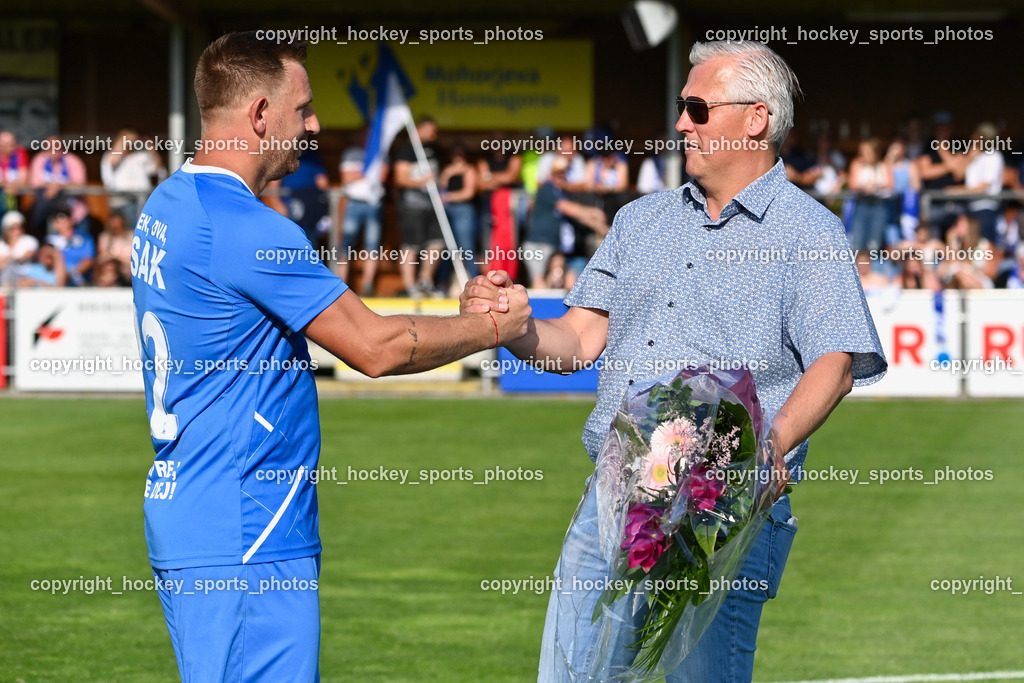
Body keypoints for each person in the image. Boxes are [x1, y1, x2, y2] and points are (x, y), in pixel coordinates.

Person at [463, 40, 885, 682]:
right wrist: (513, 330)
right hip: (612, 503)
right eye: (680, 107)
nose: (681, 122)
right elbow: (578, 340)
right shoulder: (638, 220)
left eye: (696, 107)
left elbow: (835, 362)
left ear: (756, 119)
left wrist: (769, 449)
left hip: (728, 514)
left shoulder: (810, 232)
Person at [131, 32, 530, 683]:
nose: (314, 125)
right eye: (303, 108)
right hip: (249, 531)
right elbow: (374, 346)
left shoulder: (168, 203)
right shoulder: (251, 228)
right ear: (260, 113)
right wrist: (487, 325)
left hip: (193, 513)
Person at [393, 117, 444, 297]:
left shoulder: (434, 149)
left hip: (433, 206)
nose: (433, 134)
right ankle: (410, 286)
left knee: (437, 243)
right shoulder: (407, 150)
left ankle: (425, 281)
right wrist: (423, 181)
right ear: (419, 129)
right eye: (431, 130)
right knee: (411, 246)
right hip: (411, 206)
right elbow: (400, 178)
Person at [338, 128, 386, 296]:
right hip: (354, 202)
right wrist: (367, 171)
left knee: (372, 244)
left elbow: (383, 176)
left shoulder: (381, 153)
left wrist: (358, 173)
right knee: (345, 244)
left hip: (374, 203)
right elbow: (346, 178)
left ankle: (367, 286)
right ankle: (340, 285)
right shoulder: (351, 153)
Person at [100, 128, 166, 224]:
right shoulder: (111, 155)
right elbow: (113, 161)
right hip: (121, 200)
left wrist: (152, 151)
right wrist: (124, 141)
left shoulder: (141, 156)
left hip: (141, 200)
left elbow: (157, 170)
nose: (132, 144)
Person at [47, 209, 95, 286]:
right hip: (56, 278)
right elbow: (46, 260)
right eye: (58, 221)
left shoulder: (85, 237)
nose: (62, 224)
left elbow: (88, 259)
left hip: (80, 278)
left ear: (71, 220)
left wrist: (72, 274)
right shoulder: (50, 240)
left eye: (64, 220)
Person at [0, 210, 39, 286]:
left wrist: (9, 258)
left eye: (19, 228)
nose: (17, 231)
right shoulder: (2, 243)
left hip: (25, 274)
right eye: (13, 229)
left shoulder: (29, 240)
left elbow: (26, 255)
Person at [1, 129, 30, 215]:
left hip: (15, 193)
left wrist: (13, 185)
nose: (12, 147)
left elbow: (24, 179)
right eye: (8, 145)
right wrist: (5, 185)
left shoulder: (20, 152)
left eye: (13, 144)